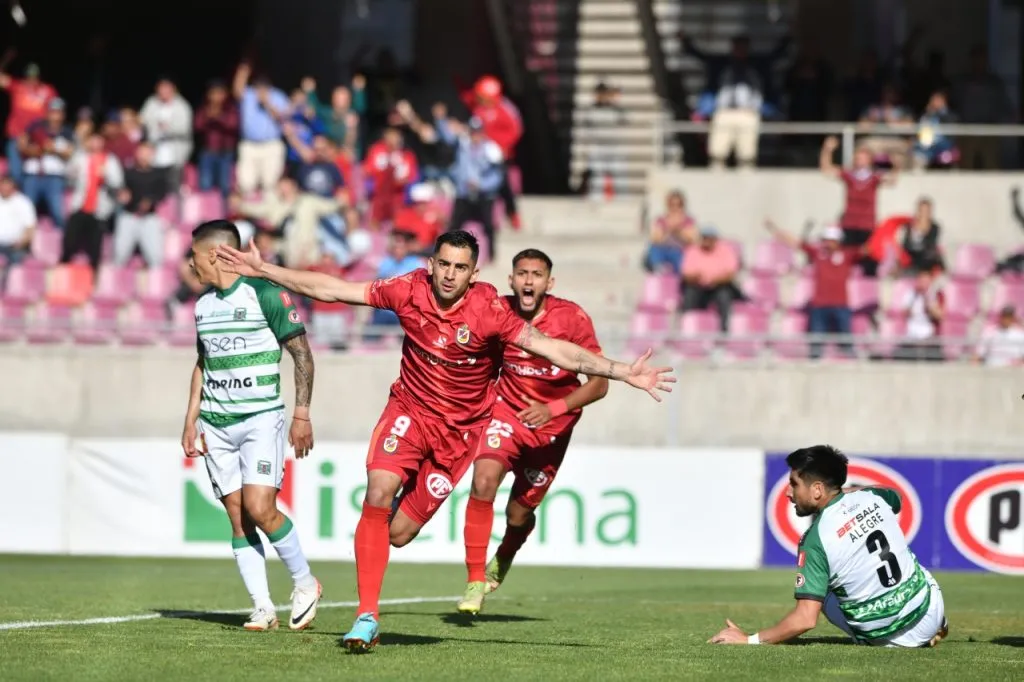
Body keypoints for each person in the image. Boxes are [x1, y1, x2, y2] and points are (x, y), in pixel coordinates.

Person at [214, 230, 675, 653]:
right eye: (444, 264)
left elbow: (552, 347)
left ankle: (391, 542)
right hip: (409, 412)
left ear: (474, 274)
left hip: (459, 434)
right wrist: (265, 270)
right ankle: (366, 617)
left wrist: (620, 370)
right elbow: (333, 288)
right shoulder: (407, 289)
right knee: (377, 494)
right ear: (431, 263)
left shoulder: (491, 310)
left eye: (461, 268)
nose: (450, 274)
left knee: (398, 533)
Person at [181, 219, 321, 633]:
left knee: (261, 508)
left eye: (194, 257)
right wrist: (190, 418)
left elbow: (302, 354)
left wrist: (302, 413)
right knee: (238, 517)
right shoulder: (203, 306)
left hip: (261, 418)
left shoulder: (265, 293)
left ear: (212, 254)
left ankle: (305, 582)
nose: (191, 266)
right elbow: (202, 364)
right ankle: (262, 607)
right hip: (216, 425)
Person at [457, 249, 609, 614]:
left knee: (517, 515)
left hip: (551, 430)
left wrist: (552, 409)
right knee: (483, 481)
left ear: (549, 282)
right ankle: (475, 579)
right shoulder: (498, 310)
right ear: (511, 279)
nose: (528, 280)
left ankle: (506, 553)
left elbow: (599, 384)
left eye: (536, 274)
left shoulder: (571, 318)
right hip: (506, 414)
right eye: (522, 273)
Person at [709, 445, 948, 648]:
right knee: (913, 564)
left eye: (794, 484)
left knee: (822, 594)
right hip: (929, 611)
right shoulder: (874, 497)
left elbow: (805, 619)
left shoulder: (814, 540)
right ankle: (937, 622)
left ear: (817, 490)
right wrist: (846, 498)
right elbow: (896, 498)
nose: (788, 493)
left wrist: (749, 640)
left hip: (893, 642)